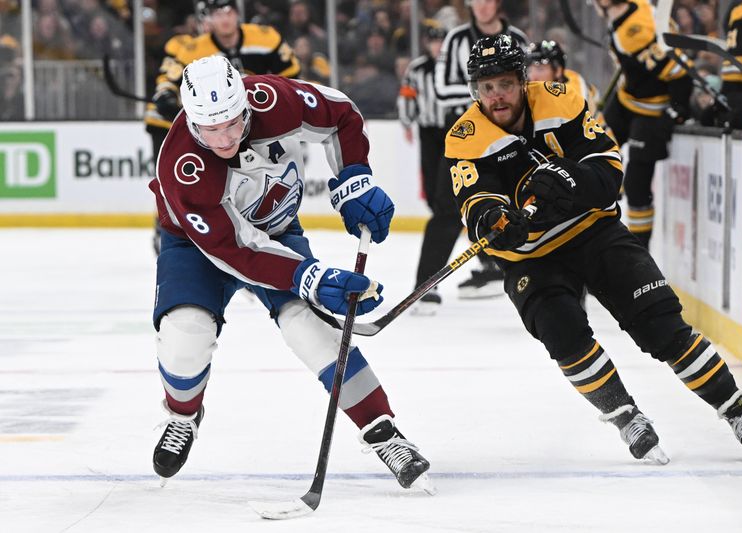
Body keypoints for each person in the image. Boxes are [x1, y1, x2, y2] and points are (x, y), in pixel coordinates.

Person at [444, 34, 742, 464]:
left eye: (505, 84)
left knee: (662, 325)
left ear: (522, 81)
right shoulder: (465, 137)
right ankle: (626, 416)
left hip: (592, 231)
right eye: (486, 88)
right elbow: (475, 201)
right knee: (563, 335)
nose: (496, 97)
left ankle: (736, 408)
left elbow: (608, 169)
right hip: (530, 258)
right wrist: (495, 222)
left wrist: (571, 180)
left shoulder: (561, 101)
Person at [150, 55, 433, 492]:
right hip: (197, 246)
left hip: (277, 229)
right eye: (211, 128)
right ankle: (183, 415)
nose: (224, 137)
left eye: (232, 122)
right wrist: (311, 276)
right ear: (191, 120)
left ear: (245, 103)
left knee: (307, 326)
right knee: (185, 333)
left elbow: (340, 112)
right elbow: (237, 249)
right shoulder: (181, 167)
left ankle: (382, 430)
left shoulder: (270, 99)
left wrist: (354, 177)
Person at [145, 0, 301, 254]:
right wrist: (166, 94)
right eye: (218, 14)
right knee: (187, 182)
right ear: (208, 19)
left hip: (248, 122)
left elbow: (292, 75)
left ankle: (258, 225)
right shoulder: (194, 49)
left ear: (237, 14)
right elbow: (169, 78)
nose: (225, 19)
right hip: (213, 128)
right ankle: (169, 225)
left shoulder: (265, 38)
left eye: (229, 12)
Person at [433, 0, 528, 300]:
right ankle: (426, 284)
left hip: (512, 134)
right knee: (449, 208)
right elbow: (440, 88)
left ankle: (498, 268)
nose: (482, 6)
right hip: (467, 134)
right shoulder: (457, 38)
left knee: (516, 200)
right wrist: (489, 93)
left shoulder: (519, 39)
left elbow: (532, 86)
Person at [593, 0, 693, 251]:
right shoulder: (630, 10)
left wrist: (676, 111)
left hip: (651, 110)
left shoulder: (636, 29)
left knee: (636, 184)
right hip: (627, 100)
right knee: (592, 151)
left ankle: (638, 256)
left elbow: (681, 73)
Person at [397, 24, 449, 314]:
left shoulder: (455, 66)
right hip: (429, 132)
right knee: (434, 196)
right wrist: (407, 121)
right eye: (434, 41)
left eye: (442, 41)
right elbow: (407, 96)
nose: (437, 46)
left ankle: (486, 263)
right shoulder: (417, 69)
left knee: (448, 203)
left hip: (452, 131)